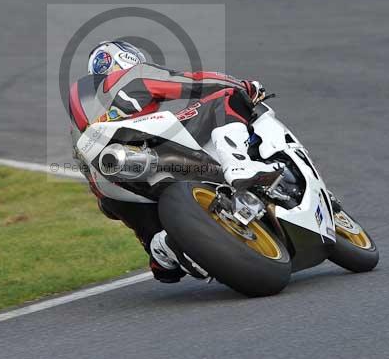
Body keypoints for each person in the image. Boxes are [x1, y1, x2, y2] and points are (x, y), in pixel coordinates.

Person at [69, 40, 279, 282]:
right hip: (142, 142)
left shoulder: (77, 124)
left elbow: (106, 205)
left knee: (163, 265)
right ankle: (238, 163)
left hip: (112, 186)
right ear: (127, 59)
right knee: (228, 99)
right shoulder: (130, 77)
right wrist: (243, 86)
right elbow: (192, 83)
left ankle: (164, 248)